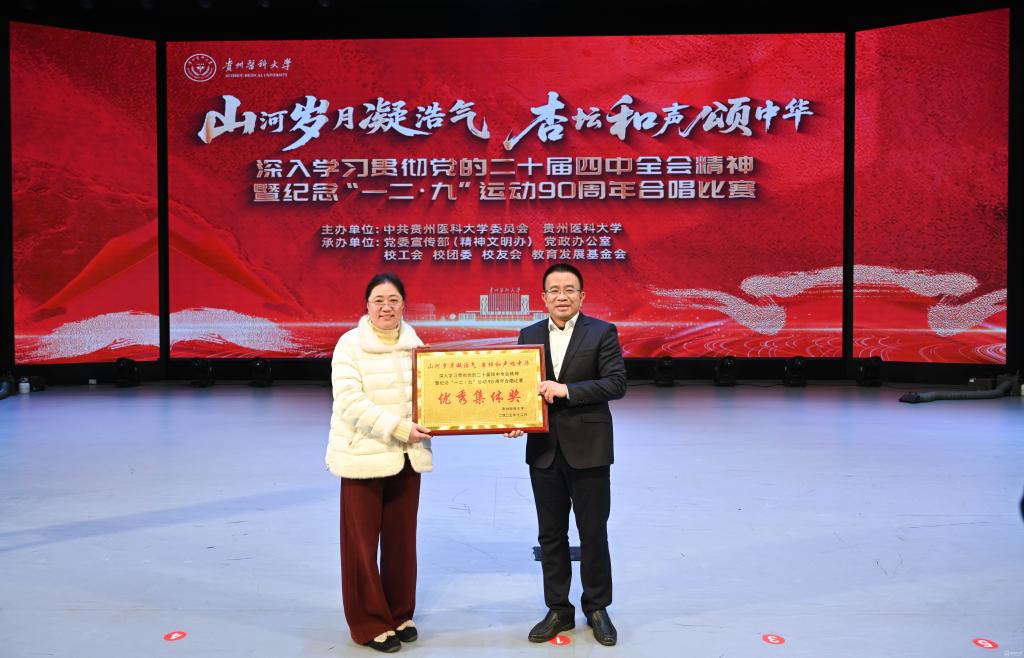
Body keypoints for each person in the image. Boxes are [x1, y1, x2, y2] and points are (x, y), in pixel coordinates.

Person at [506, 263, 627, 646]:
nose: (562, 296)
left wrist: (568, 390)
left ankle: (597, 607)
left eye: (569, 289)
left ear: (582, 296)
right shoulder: (528, 335)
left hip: (589, 449)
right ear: (543, 297)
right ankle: (558, 608)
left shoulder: (602, 332)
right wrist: (514, 417)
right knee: (550, 534)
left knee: (593, 532)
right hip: (543, 451)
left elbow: (616, 383)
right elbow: (519, 388)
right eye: (554, 290)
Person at [326, 272, 433, 654]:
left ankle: (400, 613)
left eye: (393, 300)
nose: (386, 307)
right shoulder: (349, 345)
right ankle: (369, 621)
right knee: (361, 545)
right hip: (363, 457)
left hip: (407, 458)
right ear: (367, 305)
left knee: (402, 543)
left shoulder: (417, 345)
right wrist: (398, 428)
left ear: (404, 304)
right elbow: (349, 403)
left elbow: (433, 396)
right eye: (378, 301)